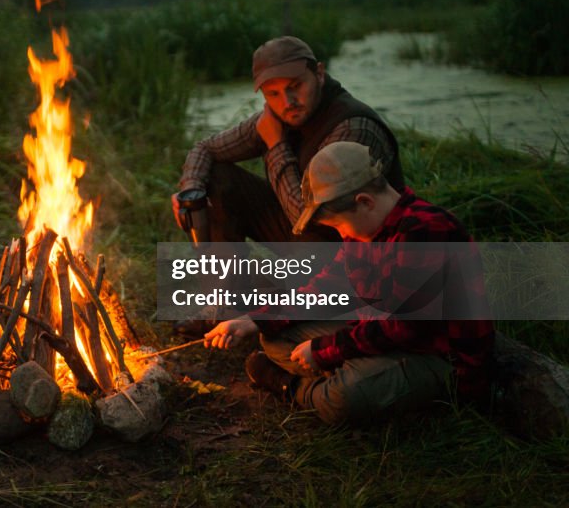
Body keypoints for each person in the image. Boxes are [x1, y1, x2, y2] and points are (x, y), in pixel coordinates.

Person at [204, 142, 494, 425]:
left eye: (339, 225)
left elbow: (404, 327)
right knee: (273, 338)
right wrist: (255, 320)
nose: (341, 235)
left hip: (436, 356)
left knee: (342, 397)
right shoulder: (363, 233)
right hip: (382, 338)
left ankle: (293, 387)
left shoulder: (424, 232)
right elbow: (324, 288)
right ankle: (357, 378)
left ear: (365, 202)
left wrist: (322, 350)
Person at [173, 36, 404, 244]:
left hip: (346, 240)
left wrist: (276, 146)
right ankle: (226, 288)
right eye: (273, 94)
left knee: (311, 240)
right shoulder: (280, 115)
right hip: (300, 233)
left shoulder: (351, 126)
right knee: (214, 176)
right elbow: (204, 148)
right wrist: (190, 192)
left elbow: (311, 216)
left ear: (319, 74)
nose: (287, 102)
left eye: (296, 86)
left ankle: (304, 287)